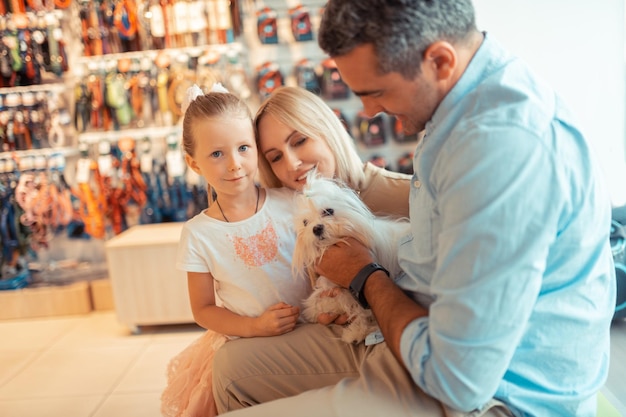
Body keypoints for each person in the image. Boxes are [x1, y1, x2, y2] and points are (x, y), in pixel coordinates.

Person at [212, 1, 616, 416]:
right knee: (230, 371)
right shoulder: (454, 112)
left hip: (491, 396)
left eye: (377, 92)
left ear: (439, 61)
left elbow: (458, 379)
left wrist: (365, 276)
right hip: (415, 339)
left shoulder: (500, 149)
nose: (368, 112)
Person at [160, 84, 308, 417]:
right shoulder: (199, 234)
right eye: (217, 154)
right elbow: (203, 309)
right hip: (249, 346)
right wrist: (255, 326)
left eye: (243, 148)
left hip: (311, 333)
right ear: (194, 164)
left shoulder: (290, 203)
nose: (234, 164)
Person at [254, 85, 411, 219]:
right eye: (276, 157)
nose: (292, 164)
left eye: (299, 141)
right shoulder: (286, 227)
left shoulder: (408, 196)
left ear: (328, 131)